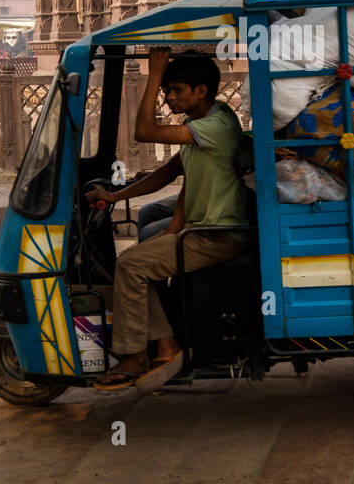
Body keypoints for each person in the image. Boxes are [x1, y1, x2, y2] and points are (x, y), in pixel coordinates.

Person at [86, 50, 249, 392]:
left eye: (176, 90)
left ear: (201, 91)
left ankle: (142, 352)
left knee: (130, 266)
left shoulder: (216, 126)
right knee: (148, 235)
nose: (169, 97)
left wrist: (155, 73)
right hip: (202, 227)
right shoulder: (202, 123)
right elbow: (169, 172)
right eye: (167, 90)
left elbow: (143, 131)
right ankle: (164, 334)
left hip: (218, 235)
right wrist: (115, 197)